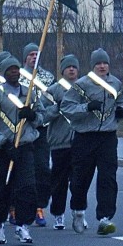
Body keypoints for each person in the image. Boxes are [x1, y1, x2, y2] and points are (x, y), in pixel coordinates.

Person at [60, 48, 123, 236]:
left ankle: (105, 218)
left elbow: (121, 100)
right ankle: (78, 209)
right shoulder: (82, 85)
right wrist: (86, 107)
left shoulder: (115, 83)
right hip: (85, 137)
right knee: (81, 177)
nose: (102, 66)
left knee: (108, 177)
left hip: (107, 136)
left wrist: (121, 110)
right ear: (93, 66)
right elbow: (66, 107)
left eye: (105, 63)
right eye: (98, 63)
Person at [0, 55, 43, 245]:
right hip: (3, 150)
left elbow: (42, 117)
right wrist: (3, 143)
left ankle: (23, 225)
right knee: (1, 188)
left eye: (16, 69)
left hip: (25, 147)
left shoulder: (30, 93)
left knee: (28, 187)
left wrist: (32, 116)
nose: (14, 72)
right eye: (10, 69)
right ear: (4, 73)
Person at [19, 42, 55, 227]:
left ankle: (39, 206)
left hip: (41, 129)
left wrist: (42, 117)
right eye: (31, 54)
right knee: (23, 170)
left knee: (42, 168)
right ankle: (15, 206)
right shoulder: (18, 76)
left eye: (36, 54)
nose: (34, 57)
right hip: (21, 130)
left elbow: (53, 103)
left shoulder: (48, 78)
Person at [44, 54, 80, 230]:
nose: (71, 70)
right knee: (59, 181)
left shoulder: (84, 88)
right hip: (60, 143)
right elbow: (42, 115)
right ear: (63, 70)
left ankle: (77, 211)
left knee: (79, 181)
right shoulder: (53, 90)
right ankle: (58, 214)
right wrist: (56, 109)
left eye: (74, 67)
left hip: (80, 142)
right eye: (68, 67)